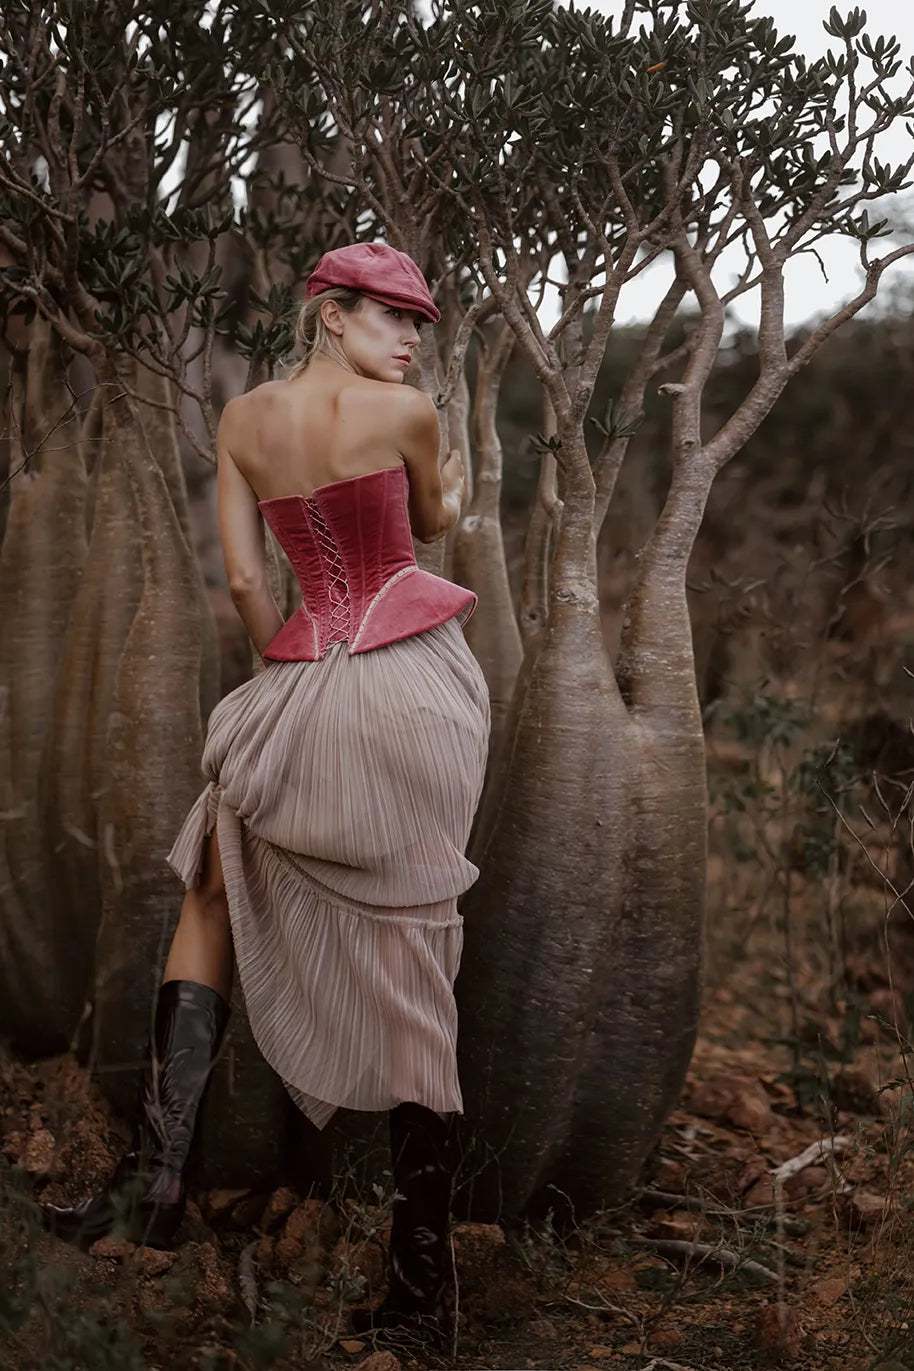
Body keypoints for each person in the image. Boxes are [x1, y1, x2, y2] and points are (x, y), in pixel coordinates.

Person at [43, 242, 491, 1341]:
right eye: (388, 318)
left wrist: (288, 677)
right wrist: (461, 480)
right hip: (415, 679)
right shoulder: (410, 414)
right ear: (329, 315)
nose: (407, 339)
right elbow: (434, 529)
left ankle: (156, 1192)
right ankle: (421, 1296)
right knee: (407, 942)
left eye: (415, 326)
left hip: (297, 670)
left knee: (209, 880)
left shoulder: (241, 423)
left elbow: (246, 578)